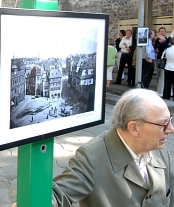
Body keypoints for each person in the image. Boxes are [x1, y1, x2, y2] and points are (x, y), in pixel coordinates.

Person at [12, 89, 174, 207]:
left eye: (170, 120)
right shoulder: (93, 157)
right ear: (134, 128)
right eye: (163, 123)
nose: (171, 129)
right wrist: (32, 201)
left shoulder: (158, 150)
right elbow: (60, 193)